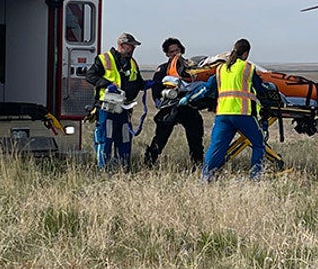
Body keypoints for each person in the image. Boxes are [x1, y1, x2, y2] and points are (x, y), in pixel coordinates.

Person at [187, 38, 269, 181]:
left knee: (216, 147)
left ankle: (205, 177)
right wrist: (269, 90)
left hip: (223, 115)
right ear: (246, 53)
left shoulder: (220, 69)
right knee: (258, 143)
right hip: (242, 114)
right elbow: (261, 89)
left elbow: (207, 89)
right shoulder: (247, 68)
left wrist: (189, 98)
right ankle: (255, 177)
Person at [85, 32, 146, 170]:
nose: (133, 49)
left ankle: (122, 169)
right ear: (122, 45)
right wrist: (106, 84)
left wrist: (147, 84)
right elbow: (90, 76)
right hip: (107, 108)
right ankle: (104, 170)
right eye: (131, 46)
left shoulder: (132, 63)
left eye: (134, 47)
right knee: (105, 139)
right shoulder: (104, 59)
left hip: (124, 109)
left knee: (124, 140)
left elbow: (138, 82)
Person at [142, 37, 204, 168]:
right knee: (160, 139)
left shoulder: (191, 69)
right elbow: (156, 90)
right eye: (172, 52)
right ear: (167, 54)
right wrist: (161, 102)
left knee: (196, 140)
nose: (176, 54)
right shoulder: (163, 69)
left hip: (188, 107)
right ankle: (147, 165)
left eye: (178, 50)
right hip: (169, 109)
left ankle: (198, 167)